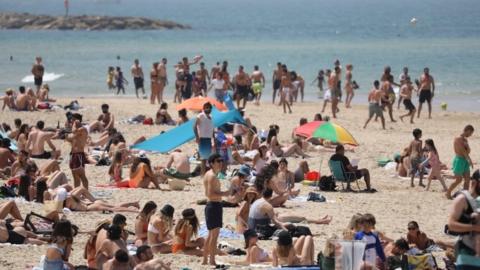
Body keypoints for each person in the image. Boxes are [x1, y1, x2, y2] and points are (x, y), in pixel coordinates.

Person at [447, 170, 480, 269]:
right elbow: (451, 224)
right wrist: (475, 228)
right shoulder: (462, 199)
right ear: (474, 182)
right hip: (466, 255)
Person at [202, 153, 230, 265]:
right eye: (218, 161)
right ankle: (212, 261)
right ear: (211, 163)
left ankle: (205, 260)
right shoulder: (212, 176)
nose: (220, 163)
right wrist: (225, 193)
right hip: (213, 206)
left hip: (212, 206)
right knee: (214, 236)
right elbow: (210, 194)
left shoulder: (210, 174)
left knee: (210, 235)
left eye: (221, 161)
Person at [447, 125, 474, 199]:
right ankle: (448, 193)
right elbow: (462, 151)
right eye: (470, 133)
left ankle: (465, 197)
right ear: (467, 130)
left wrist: (469, 159)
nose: (470, 135)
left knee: (467, 180)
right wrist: (469, 160)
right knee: (458, 180)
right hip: (459, 160)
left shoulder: (465, 140)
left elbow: (468, 151)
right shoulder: (458, 138)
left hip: (465, 160)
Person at [66, 118, 89, 188]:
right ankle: (76, 193)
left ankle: (85, 192)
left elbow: (74, 131)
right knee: (75, 177)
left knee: (82, 176)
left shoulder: (83, 130)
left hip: (79, 154)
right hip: (73, 155)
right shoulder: (77, 134)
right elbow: (68, 138)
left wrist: (73, 124)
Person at [194, 102, 215, 176]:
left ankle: (204, 173)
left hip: (209, 139)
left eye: (209, 107)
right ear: (203, 108)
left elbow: (212, 130)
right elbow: (194, 126)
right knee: (203, 158)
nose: (208, 108)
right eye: (206, 107)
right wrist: (197, 137)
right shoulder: (201, 115)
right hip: (202, 138)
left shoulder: (211, 117)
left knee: (207, 158)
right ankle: (202, 175)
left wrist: (214, 139)